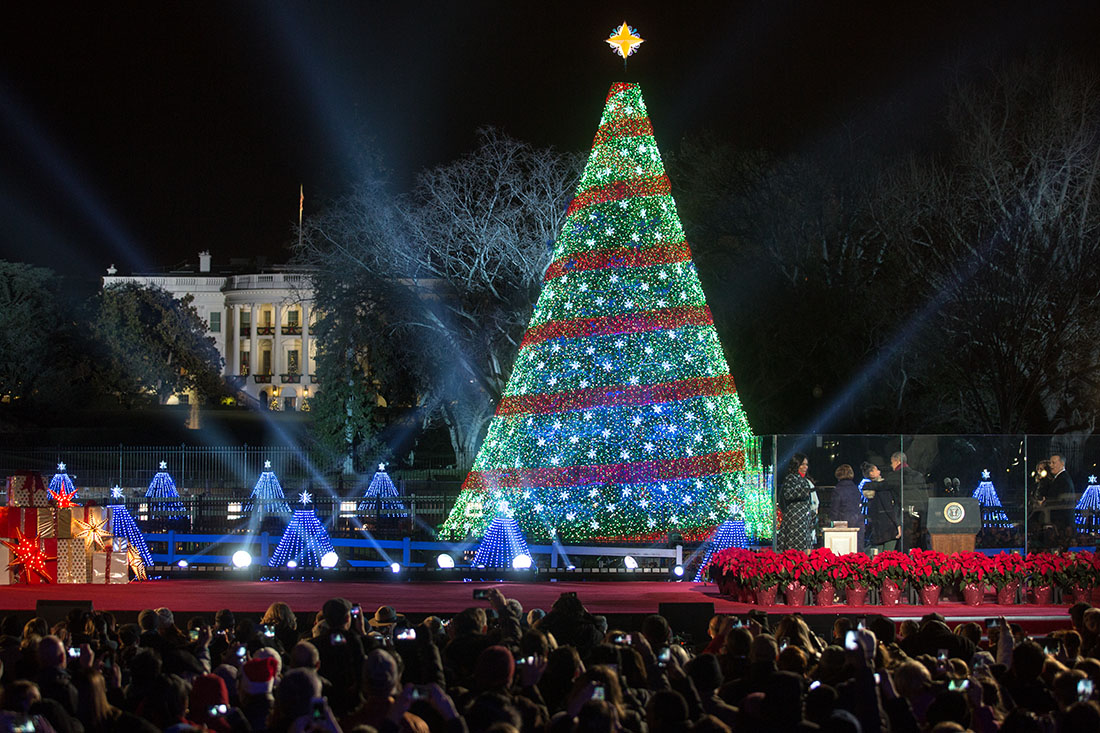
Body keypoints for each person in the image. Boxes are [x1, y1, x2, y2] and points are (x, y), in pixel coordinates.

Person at [883, 451, 928, 549]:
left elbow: (881, 486)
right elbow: (925, 498)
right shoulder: (918, 476)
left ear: (897, 461)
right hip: (919, 515)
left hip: (905, 515)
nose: (891, 466)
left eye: (892, 462)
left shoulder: (895, 476)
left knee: (904, 546)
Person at [776, 453, 816, 551]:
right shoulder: (791, 478)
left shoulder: (803, 479)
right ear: (796, 465)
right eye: (802, 464)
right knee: (795, 547)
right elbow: (788, 494)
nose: (805, 467)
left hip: (803, 519)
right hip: (795, 520)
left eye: (806, 464)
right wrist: (804, 491)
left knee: (804, 546)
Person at [862, 461, 901, 553]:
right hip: (889, 528)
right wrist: (898, 525)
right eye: (876, 469)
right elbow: (889, 508)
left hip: (877, 529)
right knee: (888, 556)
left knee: (877, 556)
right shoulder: (883, 489)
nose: (879, 471)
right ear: (871, 473)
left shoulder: (869, 492)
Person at [829, 464, 864, 551]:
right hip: (858, 521)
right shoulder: (856, 489)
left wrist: (832, 522)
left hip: (843, 523)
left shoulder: (837, 490)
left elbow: (835, 510)